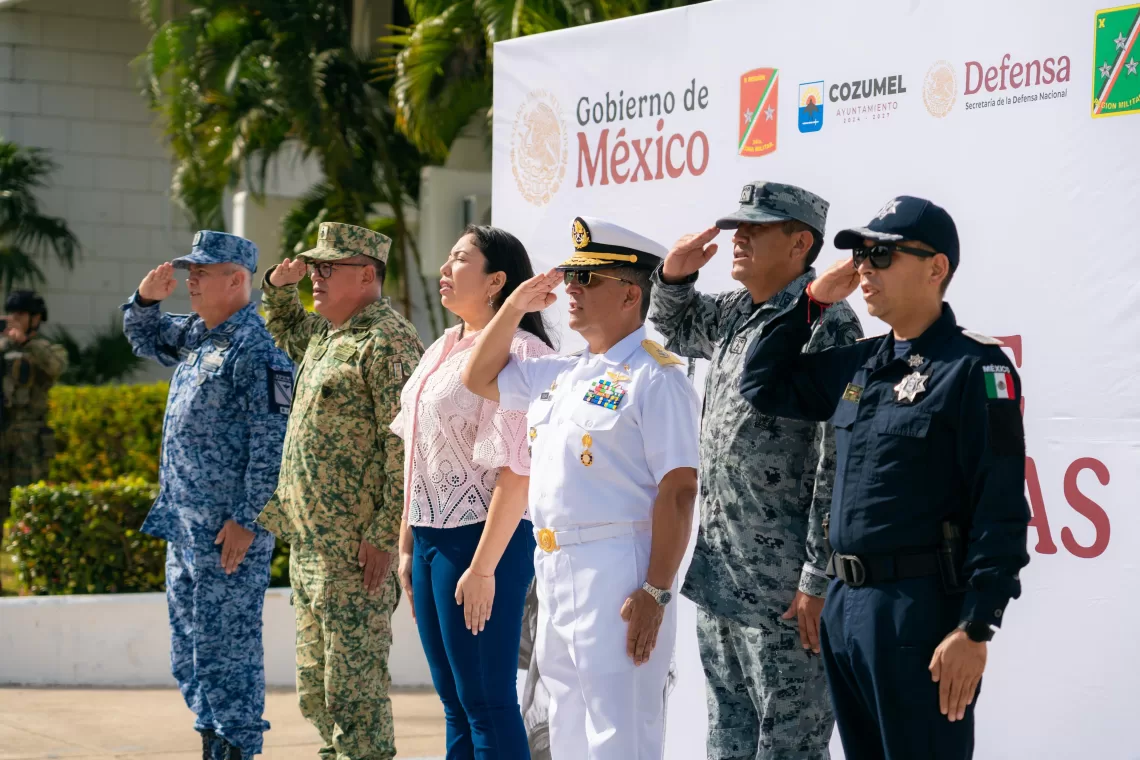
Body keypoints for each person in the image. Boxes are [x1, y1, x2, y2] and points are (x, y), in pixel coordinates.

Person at [738, 196, 1031, 760]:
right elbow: (763, 383)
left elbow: (998, 506)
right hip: (846, 608)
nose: (866, 268)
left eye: (883, 255)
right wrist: (811, 302)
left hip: (917, 613)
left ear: (936, 268)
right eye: (862, 255)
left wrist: (975, 628)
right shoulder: (863, 362)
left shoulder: (975, 369)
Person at [462, 216, 701, 760]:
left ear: (629, 294)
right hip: (555, 564)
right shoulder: (564, 374)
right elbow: (476, 377)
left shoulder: (656, 377)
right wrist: (513, 308)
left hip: (619, 569)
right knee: (565, 727)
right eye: (571, 276)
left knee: (621, 731)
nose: (571, 288)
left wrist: (657, 591)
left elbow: (680, 491)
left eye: (587, 280)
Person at [648, 181, 862, 759]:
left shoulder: (827, 324)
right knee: (730, 738)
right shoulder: (738, 310)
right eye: (738, 225)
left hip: (785, 589)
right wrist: (674, 276)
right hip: (723, 576)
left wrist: (817, 577)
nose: (738, 237)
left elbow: (834, 460)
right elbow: (677, 324)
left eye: (756, 228)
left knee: (788, 747)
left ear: (800, 244)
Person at [121, 231, 293, 760]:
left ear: (237, 280)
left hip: (227, 534)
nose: (190, 281)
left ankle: (237, 748)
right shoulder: (200, 334)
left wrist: (248, 520)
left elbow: (272, 445)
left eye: (202, 272)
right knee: (190, 653)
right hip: (185, 526)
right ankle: (212, 743)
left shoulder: (258, 350)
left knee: (227, 655)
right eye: (189, 271)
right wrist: (146, 300)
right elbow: (145, 338)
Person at [257, 222, 424, 760]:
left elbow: (406, 445)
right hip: (308, 544)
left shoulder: (386, 340)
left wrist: (383, 533)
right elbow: (284, 328)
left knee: (354, 696)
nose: (317, 277)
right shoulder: (331, 334)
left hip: (356, 553)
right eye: (315, 267)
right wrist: (279, 288)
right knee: (315, 690)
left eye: (329, 268)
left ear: (368, 275)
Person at [392, 225, 554, 759]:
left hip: (482, 543)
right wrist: (406, 545)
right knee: (455, 702)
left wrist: (484, 567)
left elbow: (518, 471)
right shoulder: (443, 346)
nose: (444, 268)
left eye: (459, 259)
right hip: (431, 540)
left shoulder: (523, 352)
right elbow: (417, 451)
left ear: (496, 281)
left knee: (487, 701)